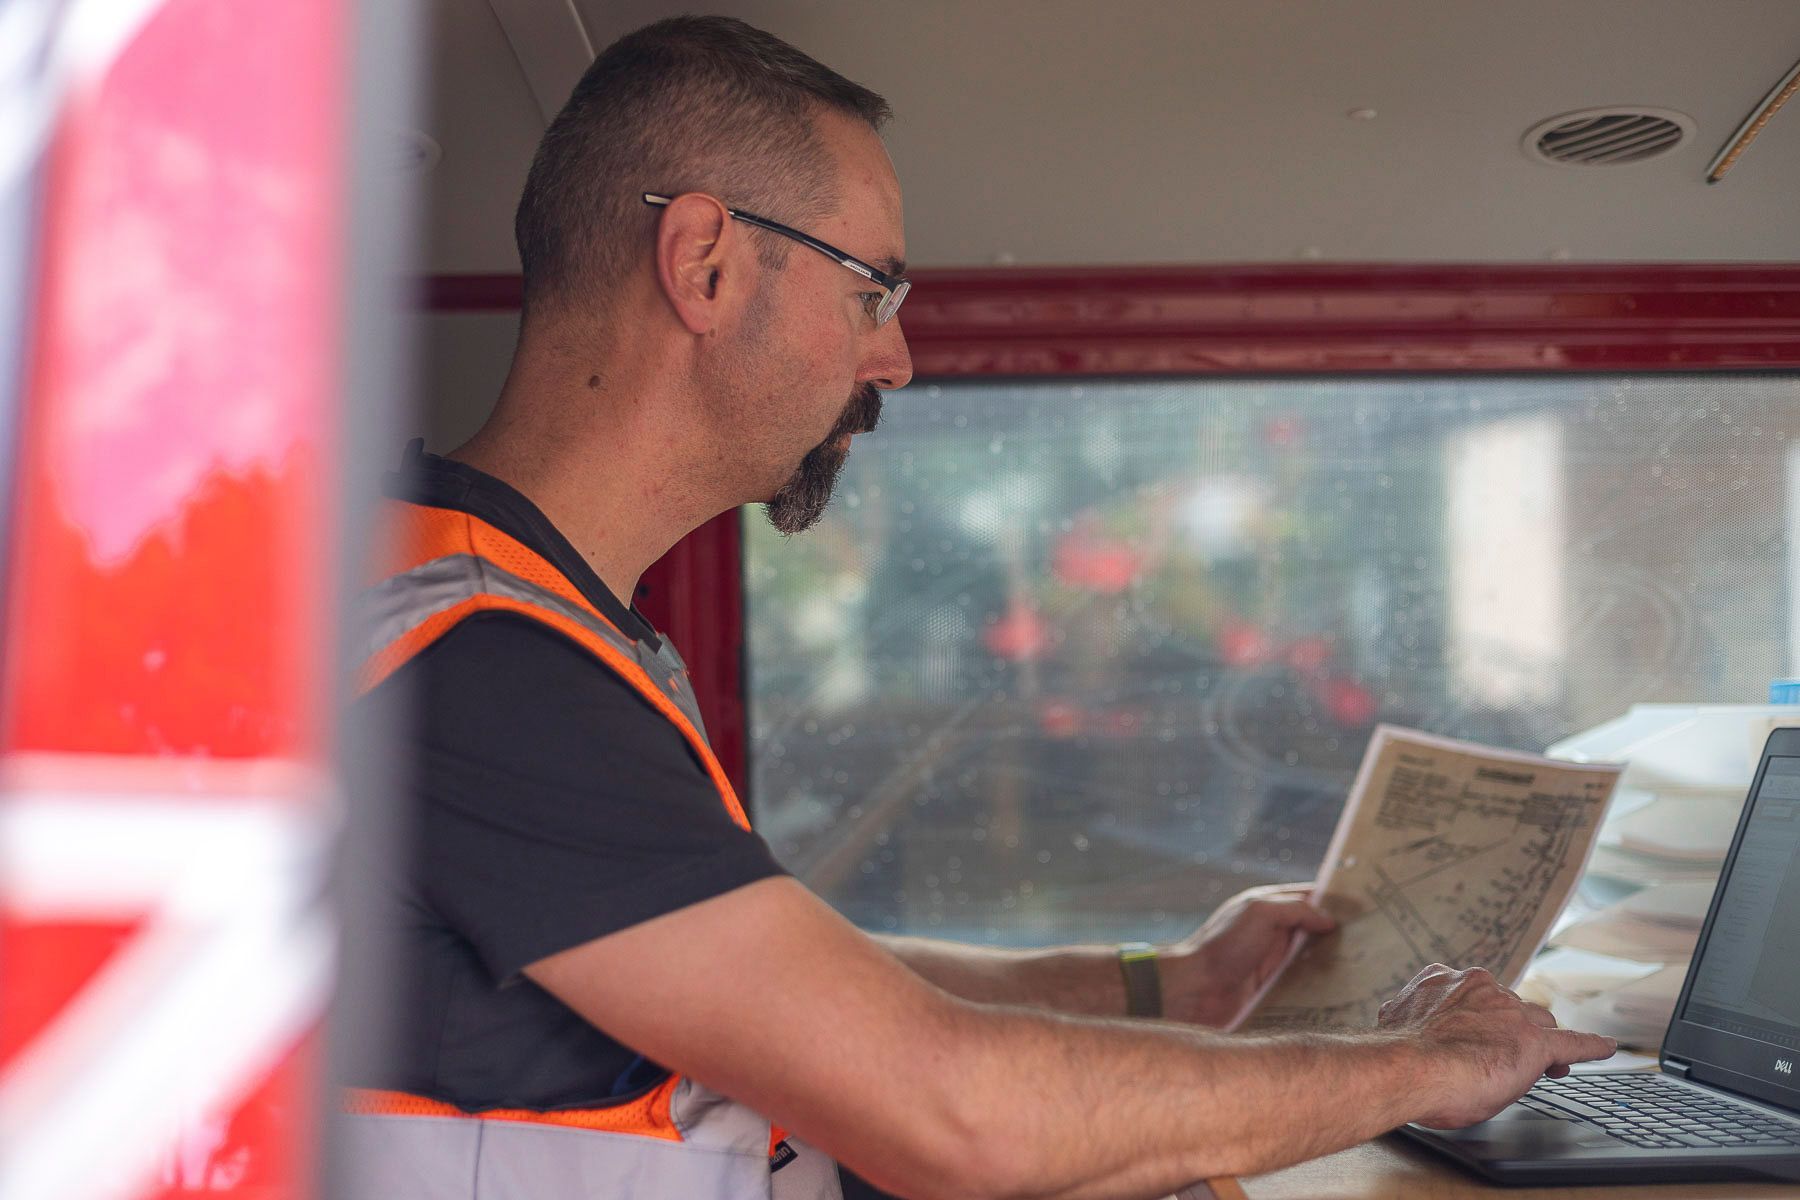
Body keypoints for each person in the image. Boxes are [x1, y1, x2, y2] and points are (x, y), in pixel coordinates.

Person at [340, 15, 1616, 1200]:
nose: (895, 355)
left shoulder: (540, 624)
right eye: (870, 291)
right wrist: (1423, 1069)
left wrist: (1167, 982)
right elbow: (947, 1106)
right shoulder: (472, 657)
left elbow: (801, 988)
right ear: (707, 264)